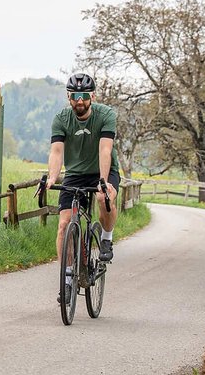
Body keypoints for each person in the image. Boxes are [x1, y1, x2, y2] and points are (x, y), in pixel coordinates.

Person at [46, 72, 120, 302]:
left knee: (103, 198)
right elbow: (57, 152)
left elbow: (105, 150)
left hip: (102, 171)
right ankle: (68, 278)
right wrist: (51, 178)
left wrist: (104, 181)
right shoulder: (61, 119)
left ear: (92, 96)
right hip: (75, 174)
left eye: (84, 96)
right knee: (63, 224)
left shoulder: (105, 115)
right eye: (75, 96)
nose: (80, 100)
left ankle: (106, 238)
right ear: (69, 97)